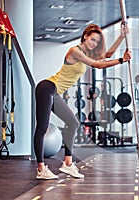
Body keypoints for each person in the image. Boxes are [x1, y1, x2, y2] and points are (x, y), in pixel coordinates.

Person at [34, 23, 131, 180]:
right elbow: (99, 65)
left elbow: (106, 55)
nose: (94, 44)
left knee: (73, 123)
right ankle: (41, 168)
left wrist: (121, 36)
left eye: (96, 42)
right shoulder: (75, 51)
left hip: (55, 92)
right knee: (42, 128)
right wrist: (121, 60)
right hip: (47, 88)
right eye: (92, 40)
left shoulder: (89, 54)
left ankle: (67, 163)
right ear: (85, 36)